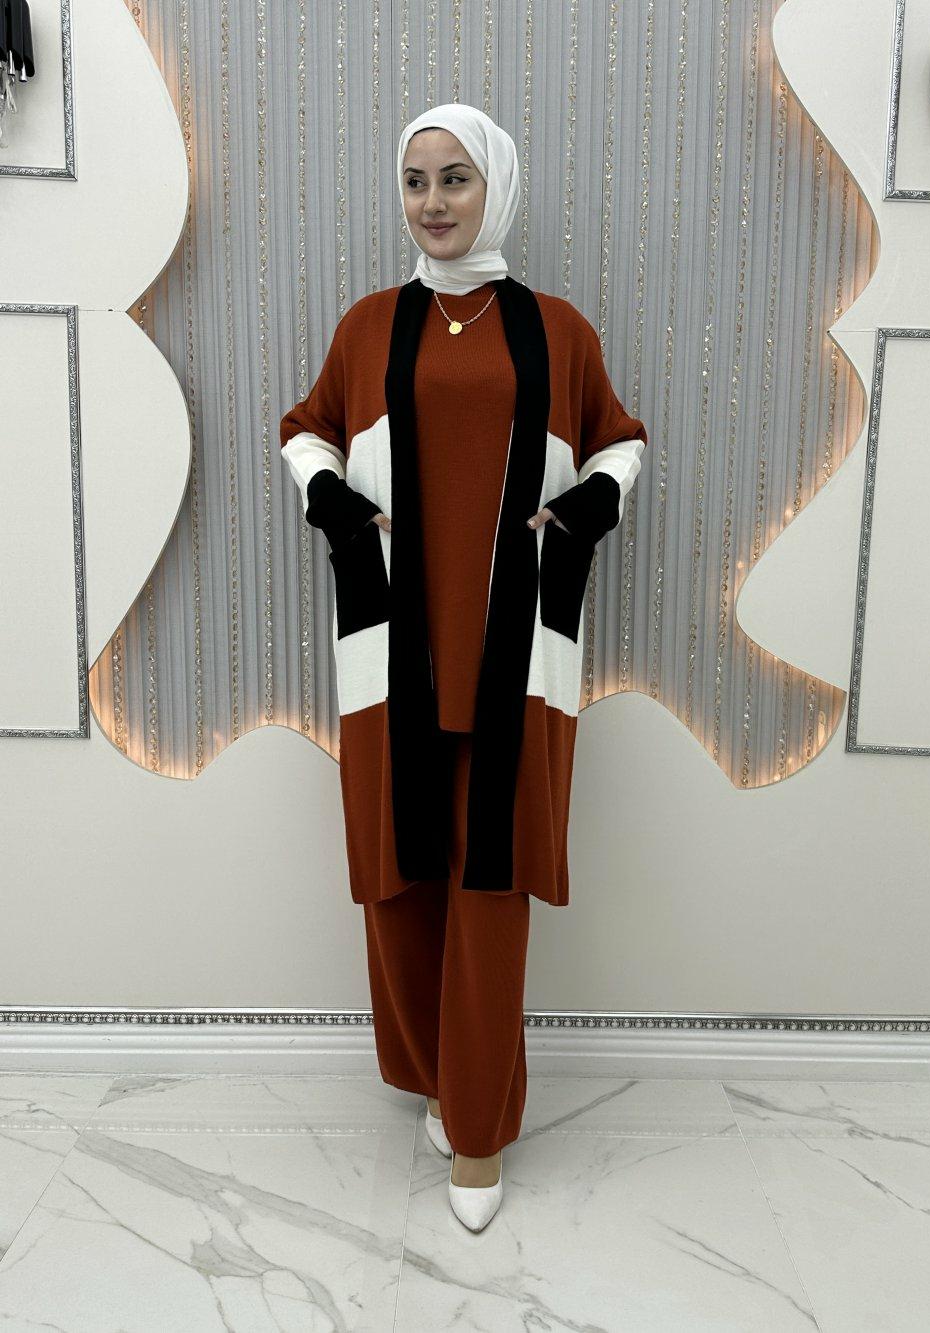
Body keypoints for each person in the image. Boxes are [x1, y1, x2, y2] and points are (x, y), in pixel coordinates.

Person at [279, 103, 647, 1232]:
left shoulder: (556, 331)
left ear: (496, 188)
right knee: (399, 884)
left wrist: (580, 512)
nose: (432, 202)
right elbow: (304, 430)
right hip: (392, 653)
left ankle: (478, 1133)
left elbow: (620, 441)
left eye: (454, 178)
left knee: (490, 891)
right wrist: (337, 507)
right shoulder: (367, 327)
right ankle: (440, 1078)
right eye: (415, 180)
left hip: (511, 658)